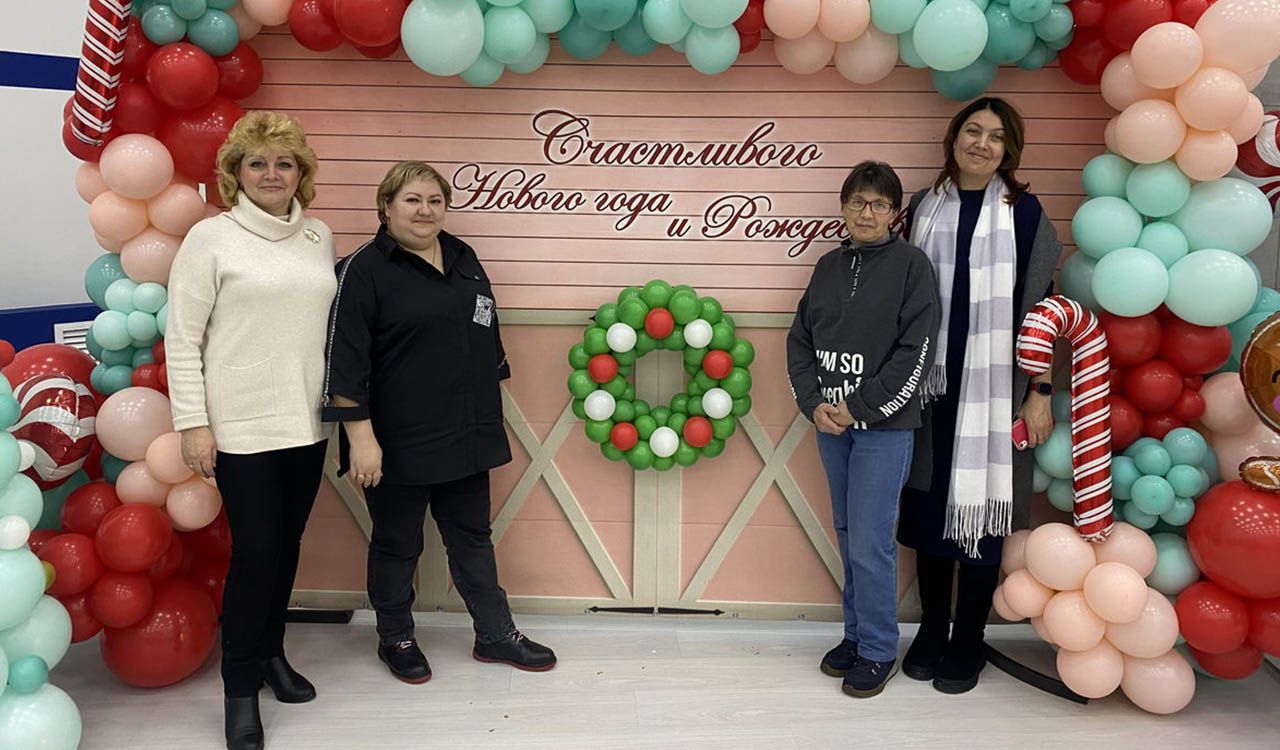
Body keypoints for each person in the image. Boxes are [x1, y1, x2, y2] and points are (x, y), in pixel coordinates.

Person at [322, 161, 556, 685]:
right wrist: (361, 439)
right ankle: (396, 638)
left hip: (467, 432)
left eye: (434, 200)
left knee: (473, 537)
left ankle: (495, 633)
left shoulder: (462, 256)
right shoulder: (362, 270)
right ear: (385, 207)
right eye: (412, 200)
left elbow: (484, 328)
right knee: (397, 544)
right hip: (395, 440)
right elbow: (344, 359)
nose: (425, 211)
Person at [165, 111, 336, 750]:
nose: (271, 174)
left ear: (301, 173)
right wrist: (193, 423)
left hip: (307, 421)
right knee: (257, 553)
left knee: (286, 547)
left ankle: (271, 654)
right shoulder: (211, 238)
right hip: (239, 425)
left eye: (284, 163)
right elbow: (182, 338)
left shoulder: (318, 235)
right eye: (257, 163)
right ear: (236, 173)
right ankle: (239, 687)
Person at [896, 97, 1063, 695]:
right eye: (973, 130)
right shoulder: (922, 207)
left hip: (996, 391)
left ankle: (968, 635)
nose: (982, 144)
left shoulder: (1026, 214)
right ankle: (931, 628)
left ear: (1008, 151)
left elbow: (1044, 308)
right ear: (954, 137)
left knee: (983, 511)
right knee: (929, 507)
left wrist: (1040, 391)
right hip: (930, 390)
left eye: (996, 137)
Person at [787, 161, 941, 698]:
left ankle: (878, 648)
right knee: (849, 533)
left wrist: (858, 408)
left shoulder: (912, 266)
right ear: (843, 208)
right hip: (830, 426)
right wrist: (813, 404)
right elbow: (800, 340)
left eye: (879, 204)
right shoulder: (828, 266)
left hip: (884, 428)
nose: (867, 213)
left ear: (895, 213)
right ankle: (854, 636)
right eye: (858, 202)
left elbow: (915, 352)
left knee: (871, 540)